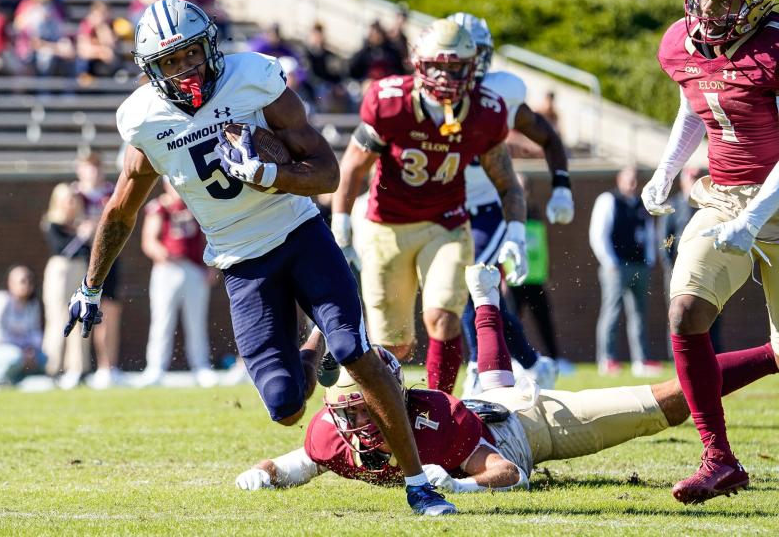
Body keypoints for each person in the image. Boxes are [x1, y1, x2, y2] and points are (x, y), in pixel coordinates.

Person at [64, 0, 457, 515]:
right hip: (241, 261)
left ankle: (418, 485)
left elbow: (326, 172)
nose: (184, 70)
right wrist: (90, 287)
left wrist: (273, 175)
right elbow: (119, 210)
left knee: (354, 352)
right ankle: (314, 348)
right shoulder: (143, 119)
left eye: (190, 55)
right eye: (170, 61)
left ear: (210, 46)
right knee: (285, 407)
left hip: (299, 233)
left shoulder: (252, 78)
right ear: (151, 71)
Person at [235, 264, 779, 494]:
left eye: (362, 408)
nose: (353, 422)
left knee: (666, 405)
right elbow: (296, 464)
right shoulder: (331, 432)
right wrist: (263, 474)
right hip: (483, 401)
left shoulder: (433, 420)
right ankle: (488, 300)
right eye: (346, 412)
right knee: (488, 379)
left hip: (528, 427)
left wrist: (462, 486)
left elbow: (508, 473)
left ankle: (772, 353)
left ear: (393, 398)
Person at [643, 0, 779, 503]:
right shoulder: (682, 41)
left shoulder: (773, 50)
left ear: (757, 3)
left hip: (775, 196)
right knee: (685, 311)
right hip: (722, 195)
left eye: (723, 3)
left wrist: (754, 221)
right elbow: (694, 103)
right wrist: (667, 168)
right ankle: (719, 458)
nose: (707, 12)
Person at [331, 19, 528, 397]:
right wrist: (341, 221)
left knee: (441, 317)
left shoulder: (484, 112)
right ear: (419, 63)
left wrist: (516, 231)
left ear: (472, 67)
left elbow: (507, 182)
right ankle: (388, 416)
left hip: (447, 225)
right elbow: (353, 165)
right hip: (386, 226)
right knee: (394, 346)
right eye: (438, 65)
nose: (447, 76)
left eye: (456, 67)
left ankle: (439, 410)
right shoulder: (390, 102)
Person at [449, 12, 572, 395]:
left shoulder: (502, 91)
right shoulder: (425, 95)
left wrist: (563, 185)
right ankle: (535, 363)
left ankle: (476, 366)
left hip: (489, 204)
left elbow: (547, 136)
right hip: (443, 206)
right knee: (470, 292)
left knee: (471, 283)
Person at [138, 178, 216, 388]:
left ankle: (201, 366)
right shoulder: (159, 207)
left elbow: (210, 236)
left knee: (196, 320)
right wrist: (162, 253)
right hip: (167, 268)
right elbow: (149, 240)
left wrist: (211, 266)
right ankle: (155, 367)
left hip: (194, 268)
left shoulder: (196, 203)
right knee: (162, 320)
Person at [590, 167, 661, 377]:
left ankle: (641, 360)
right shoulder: (608, 199)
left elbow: (650, 233)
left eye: (635, 180)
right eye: (628, 180)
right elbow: (598, 233)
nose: (632, 184)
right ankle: (607, 358)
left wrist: (650, 259)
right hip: (616, 266)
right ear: (619, 180)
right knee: (611, 311)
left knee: (639, 313)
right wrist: (609, 261)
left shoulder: (641, 203)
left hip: (639, 265)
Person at [657, 166, 723, 353]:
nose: (693, 181)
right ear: (682, 180)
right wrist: (671, 267)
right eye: (690, 177)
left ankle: (713, 355)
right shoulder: (673, 206)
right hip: (679, 271)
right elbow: (664, 241)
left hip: (709, 269)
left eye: (697, 177)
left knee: (712, 314)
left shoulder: (709, 206)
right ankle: (678, 358)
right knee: (678, 315)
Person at [72, 152, 124, 390]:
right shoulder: (72, 194)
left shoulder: (109, 192)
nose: (92, 172)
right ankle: (76, 368)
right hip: (81, 262)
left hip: (107, 260)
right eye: (87, 167)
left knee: (109, 314)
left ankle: (107, 367)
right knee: (80, 314)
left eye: (95, 167)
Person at [506, 173, 566, 370]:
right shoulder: (506, 213)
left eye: (525, 187)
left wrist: (546, 272)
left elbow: (540, 245)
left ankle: (555, 360)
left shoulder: (534, 212)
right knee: (511, 321)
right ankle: (512, 360)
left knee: (544, 320)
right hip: (513, 278)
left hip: (535, 277)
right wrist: (502, 279)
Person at [40, 182, 93, 389]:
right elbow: (63, 249)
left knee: (81, 318)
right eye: (67, 199)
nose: (71, 203)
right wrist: (82, 237)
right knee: (59, 318)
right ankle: (52, 368)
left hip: (80, 269)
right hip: (61, 270)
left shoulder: (81, 223)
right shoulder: (51, 223)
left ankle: (78, 369)